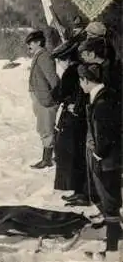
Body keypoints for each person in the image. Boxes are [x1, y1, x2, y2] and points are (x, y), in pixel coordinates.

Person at [78, 64, 121, 259]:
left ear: (86, 80)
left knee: (110, 203)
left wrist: (97, 155)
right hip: (109, 160)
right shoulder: (105, 95)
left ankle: (112, 251)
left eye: (81, 81)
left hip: (106, 161)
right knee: (109, 201)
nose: (80, 85)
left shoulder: (102, 102)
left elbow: (105, 134)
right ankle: (116, 242)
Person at [51, 50, 89, 206]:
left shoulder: (71, 72)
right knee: (77, 154)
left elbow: (57, 94)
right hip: (79, 117)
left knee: (73, 154)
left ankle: (81, 192)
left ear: (66, 59)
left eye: (60, 60)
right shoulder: (81, 69)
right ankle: (80, 191)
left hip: (73, 118)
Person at [26, 30, 60, 169]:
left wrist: (56, 96)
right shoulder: (39, 55)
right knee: (44, 127)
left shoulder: (44, 56)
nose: (29, 46)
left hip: (45, 99)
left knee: (46, 128)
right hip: (40, 98)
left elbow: (52, 78)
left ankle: (47, 160)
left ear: (39, 42)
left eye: (31, 43)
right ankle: (56, 156)